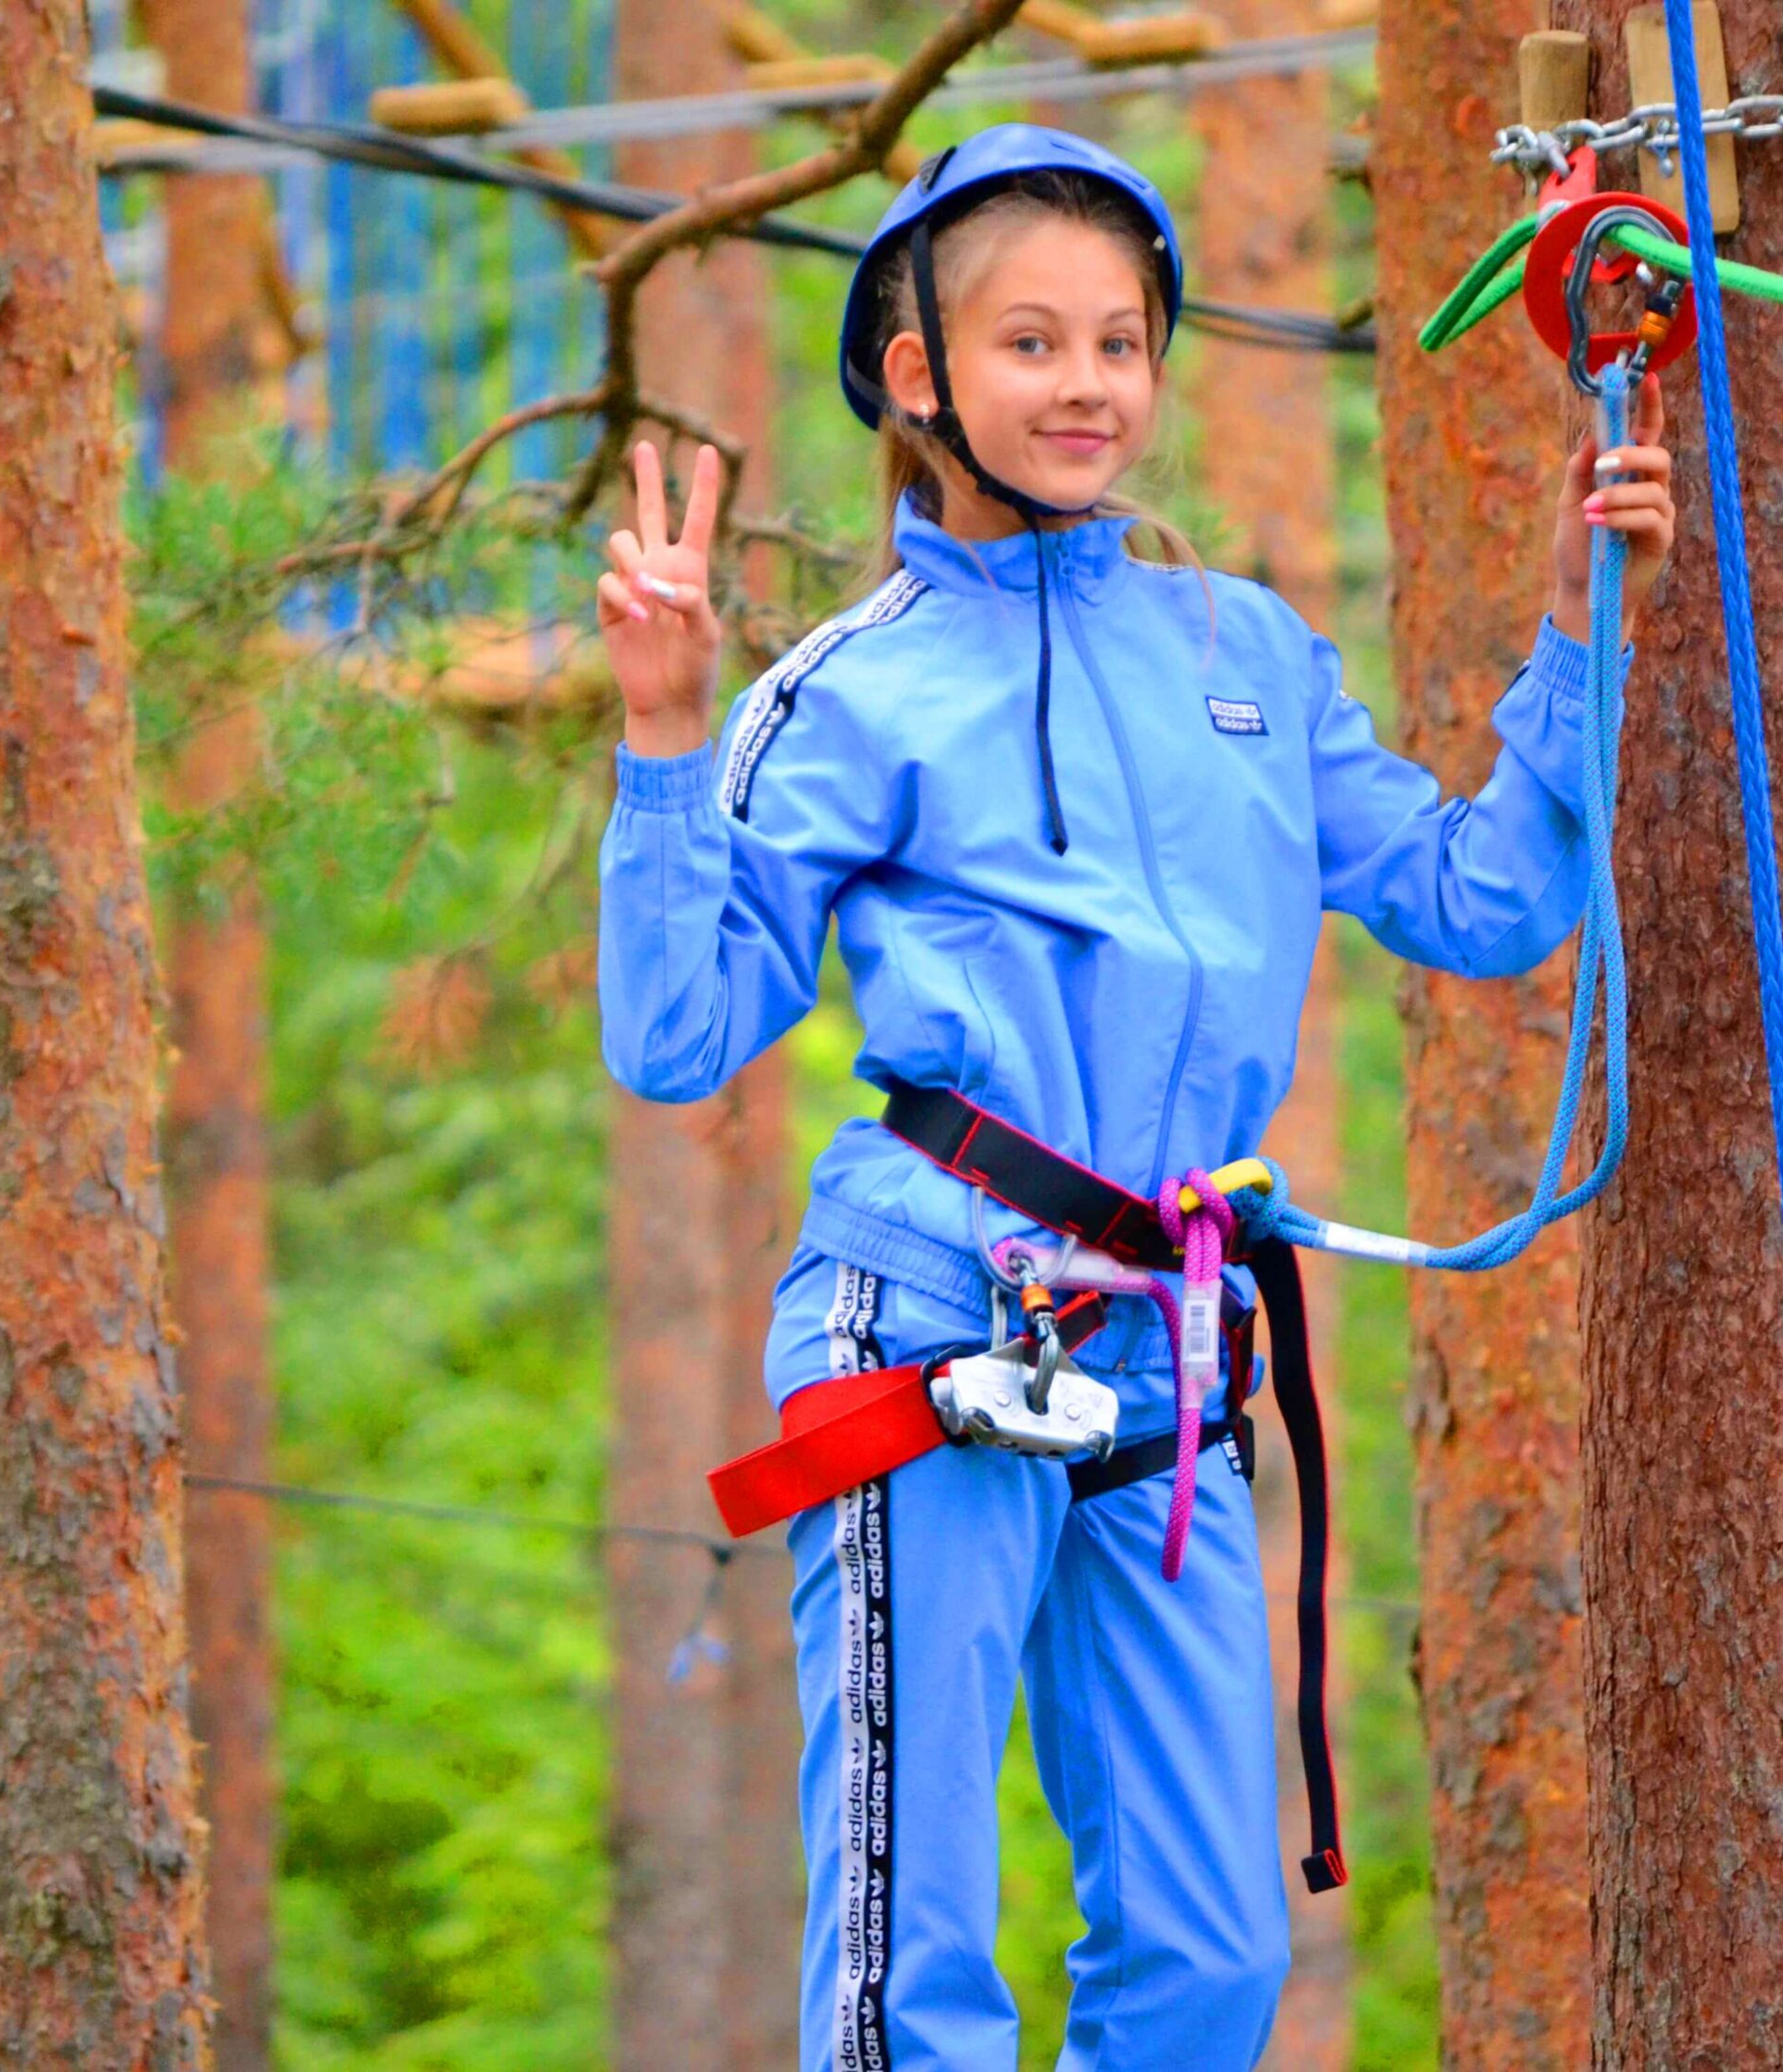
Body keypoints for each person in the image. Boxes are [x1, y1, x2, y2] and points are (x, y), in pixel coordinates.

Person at [596, 123, 1675, 2072]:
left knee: (1204, 1957)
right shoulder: (842, 691)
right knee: (905, 1959)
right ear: (917, 375)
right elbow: (676, 1036)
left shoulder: (1238, 653)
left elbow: (1483, 897)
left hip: (1168, 1353)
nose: (1086, 383)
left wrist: (1576, 622)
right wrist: (666, 738)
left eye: (1120, 341)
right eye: (1030, 342)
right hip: (922, 1328)